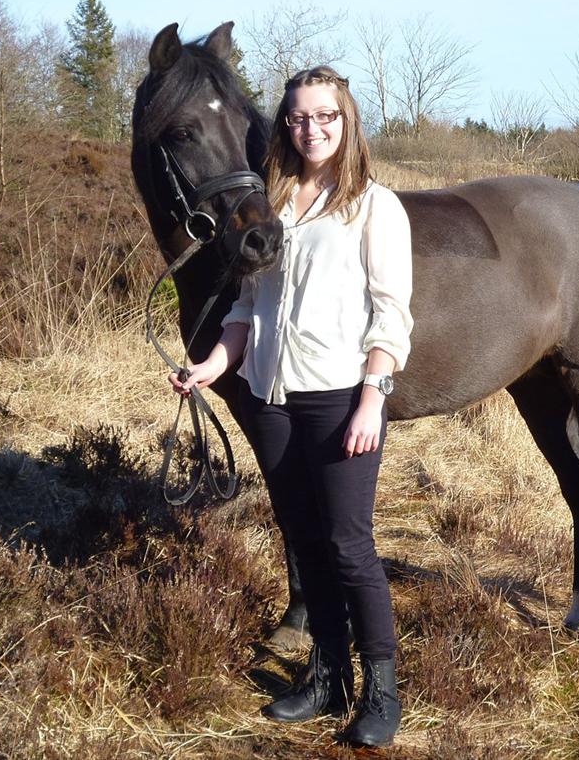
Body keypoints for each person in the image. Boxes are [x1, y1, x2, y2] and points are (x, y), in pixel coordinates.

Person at [168, 65, 413, 747]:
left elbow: (392, 319)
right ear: (286, 124)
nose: (313, 128)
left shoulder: (374, 206)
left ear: (347, 120)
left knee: (349, 546)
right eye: (301, 117)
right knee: (304, 541)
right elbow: (247, 306)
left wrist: (373, 398)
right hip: (271, 398)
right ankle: (327, 679)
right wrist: (213, 366)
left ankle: (381, 692)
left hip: (339, 399)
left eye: (326, 116)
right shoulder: (272, 198)